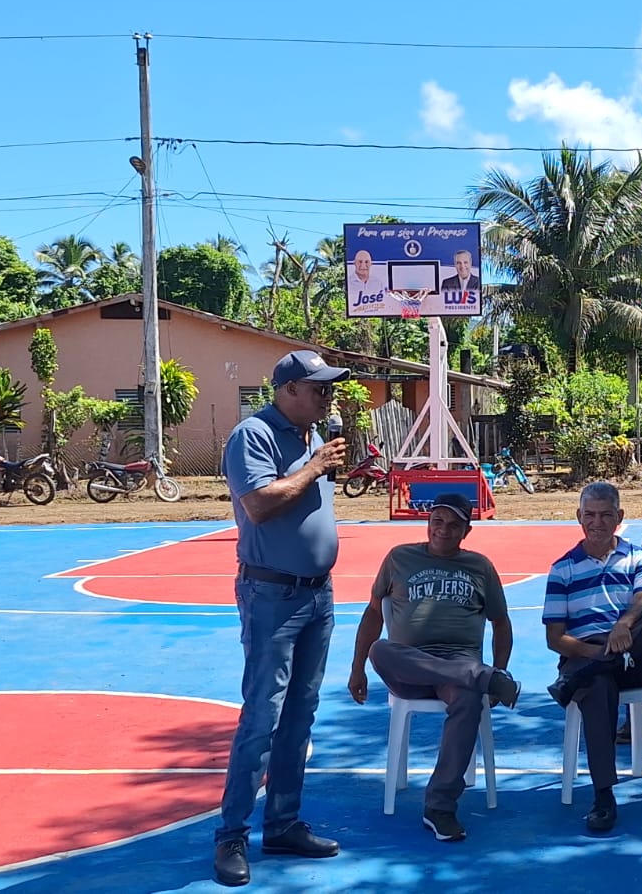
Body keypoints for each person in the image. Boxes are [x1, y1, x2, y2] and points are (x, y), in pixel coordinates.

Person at [213, 349, 350, 887]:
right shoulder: (255, 435)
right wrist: (314, 468)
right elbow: (260, 505)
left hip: (317, 597)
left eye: (329, 388)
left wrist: (319, 462)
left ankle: (283, 822)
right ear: (288, 389)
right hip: (274, 597)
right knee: (262, 719)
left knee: (300, 717)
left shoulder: (310, 437)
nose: (328, 396)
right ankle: (231, 835)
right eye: (318, 388)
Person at [345, 493, 522, 843]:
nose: (444, 529)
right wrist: (357, 668)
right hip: (409, 665)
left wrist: (500, 665)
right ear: (428, 523)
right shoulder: (399, 558)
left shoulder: (480, 567)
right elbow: (373, 614)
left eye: (453, 524)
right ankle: (483, 678)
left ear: (466, 531)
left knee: (467, 700)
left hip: (458, 662)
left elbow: (501, 623)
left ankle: (440, 806)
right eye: (437, 521)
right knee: (381, 649)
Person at [543, 482, 642, 833]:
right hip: (585, 655)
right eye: (590, 515)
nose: (597, 522)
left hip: (637, 653)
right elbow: (556, 639)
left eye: (605, 515)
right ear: (578, 517)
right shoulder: (561, 569)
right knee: (598, 683)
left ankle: (587, 674)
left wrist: (623, 626)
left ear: (620, 518)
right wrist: (597, 653)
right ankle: (604, 796)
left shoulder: (640, 557)